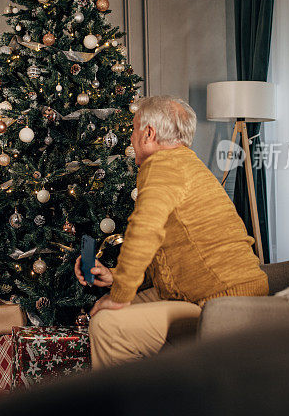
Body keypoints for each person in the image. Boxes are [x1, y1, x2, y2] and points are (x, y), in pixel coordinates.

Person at [75, 95, 268, 369]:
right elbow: (168, 256)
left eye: (133, 130)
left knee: (107, 325)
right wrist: (115, 278)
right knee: (114, 309)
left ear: (149, 134)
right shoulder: (184, 164)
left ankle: (122, 410)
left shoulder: (163, 165)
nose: (130, 138)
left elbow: (145, 230)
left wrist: (120, 297)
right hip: (211, 295)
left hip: (222, 305)